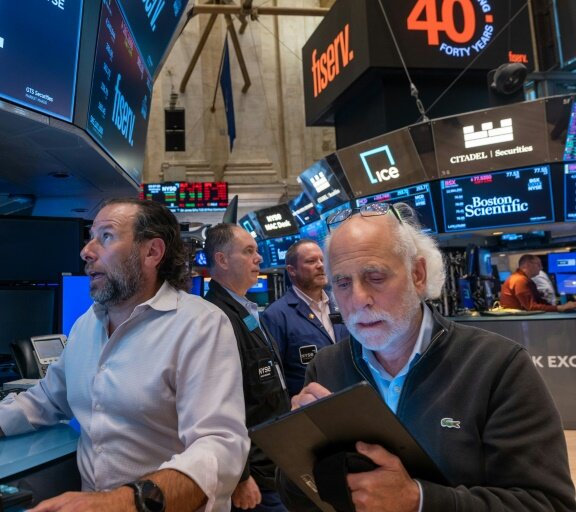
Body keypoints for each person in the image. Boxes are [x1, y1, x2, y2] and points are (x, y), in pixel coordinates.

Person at [278, 202, 576, 511]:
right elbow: (298, 498)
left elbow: (548, 504)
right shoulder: (326, 367)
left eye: (375, 277)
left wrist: (419, 500)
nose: (358, 299)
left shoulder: (497, 367)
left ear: (417, 275)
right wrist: (300, 445)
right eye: (342, 282)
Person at [0, 199, 249, 512]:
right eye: (91, 236)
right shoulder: (88, 323)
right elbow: (46, 399)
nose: (87, 250)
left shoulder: (199, 324)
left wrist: (121, 503)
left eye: (106, 236)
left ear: (152, 252)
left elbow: (220, 447)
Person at [204, 223, 291, 512]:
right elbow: (217, 407)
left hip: (274, 462)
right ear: (222, 259)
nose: (259, 259)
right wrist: (241, 476)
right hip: (254, 476)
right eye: (249, 251)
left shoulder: (245, 309)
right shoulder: (216, 319)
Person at [261, 239, 348, 396]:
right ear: (292, 270)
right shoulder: (276, 315)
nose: (321, 265)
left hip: (351, 396)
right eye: (311, 261)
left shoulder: (342, 302)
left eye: (322, 260)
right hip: (310, 407)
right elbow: (274, 377)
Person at [500, 254, 576, 312]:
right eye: (538, 265)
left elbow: (538, 301)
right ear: (527, 265)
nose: (541, 268)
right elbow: (531, 307)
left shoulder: (525, 279)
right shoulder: (520, 280)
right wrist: (560, 308)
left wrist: (561, 306)